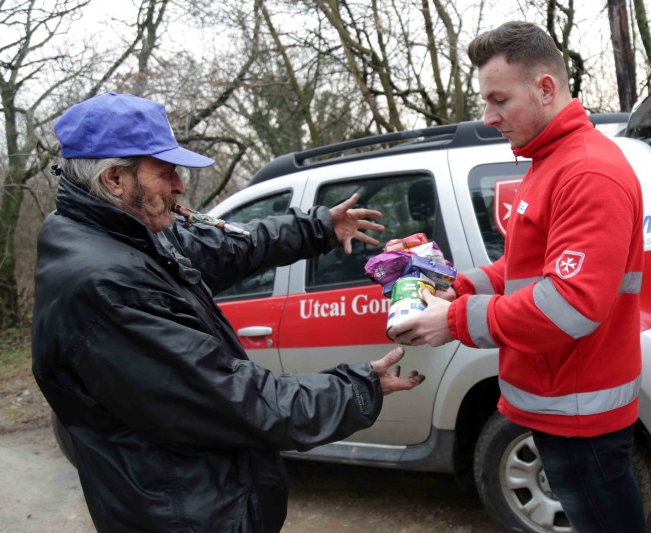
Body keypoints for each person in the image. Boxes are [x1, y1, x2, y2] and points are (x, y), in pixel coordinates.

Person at [31, 92, 425, 533]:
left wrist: (316, 228)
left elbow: (226, 247)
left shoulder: (120, 231)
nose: (179, 185)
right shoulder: (106, 286)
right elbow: (237, 401)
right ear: (115, 180)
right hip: (184, 518)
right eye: (166, 173)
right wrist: (356, 389)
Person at [390, 21, 646, 532]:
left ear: (546, 88)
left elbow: (570, 304)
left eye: (499, 100)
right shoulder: (550, 162)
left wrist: (456, 320)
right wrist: (458, 286)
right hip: (560, 406)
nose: (488, 117)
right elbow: (526, 269)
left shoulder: (586, 171)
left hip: (580, 416)